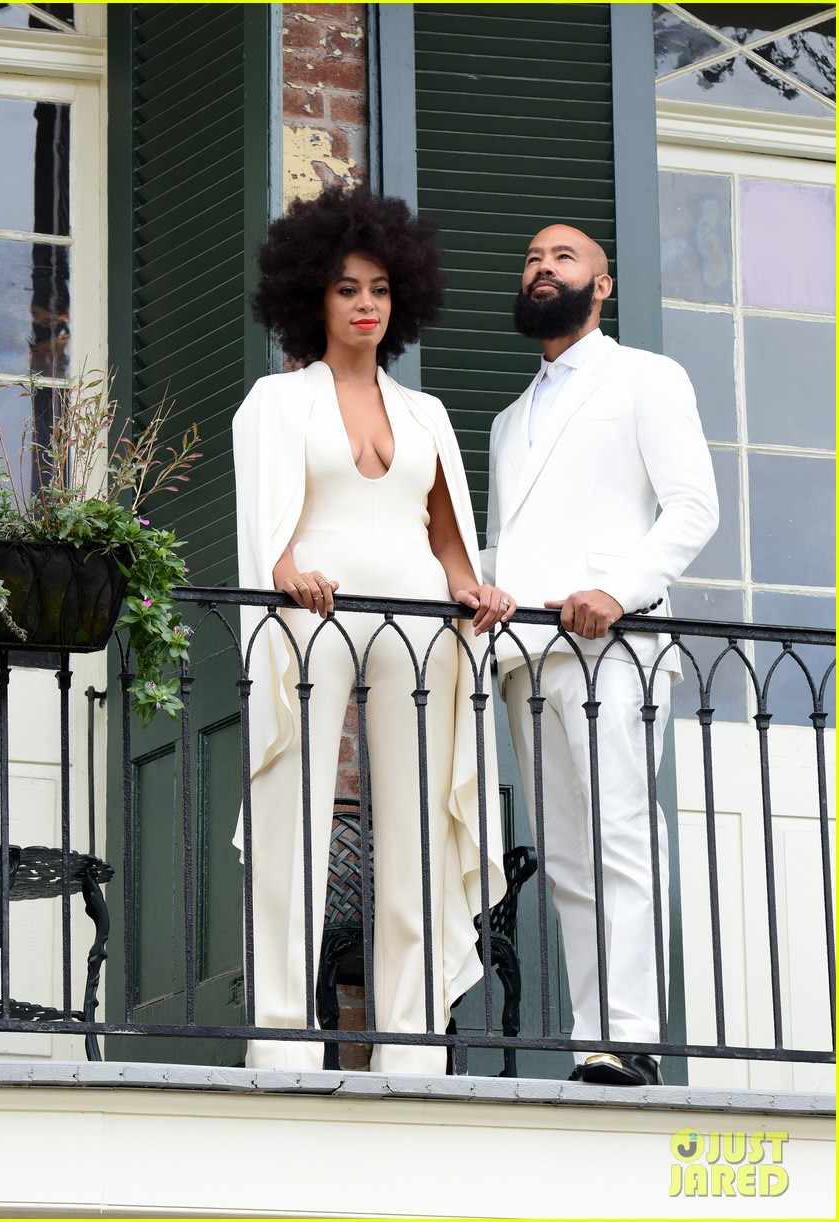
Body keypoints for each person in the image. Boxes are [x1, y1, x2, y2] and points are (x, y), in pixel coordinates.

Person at [233, 185, 514, 1075]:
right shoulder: (276, 403)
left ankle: (410, 1044)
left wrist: (475, 588)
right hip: (312, 610)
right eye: (348, 287)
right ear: (311, 293)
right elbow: (264, 534)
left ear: (400, 300)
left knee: (418, 828)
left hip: (419, 619)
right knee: (293, 817)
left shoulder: (426, 414)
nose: (364, 304)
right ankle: (280, 1039)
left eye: (380, 289)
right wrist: (284, 572)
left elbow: (443, 533)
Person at [482, 224, 718, 1086]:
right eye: (532, 258)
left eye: (563, 257)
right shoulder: (510, 420)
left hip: (614, 645)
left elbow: (692, 507)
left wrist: (619, 592)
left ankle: (633, 1037)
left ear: (602, 285)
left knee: (620, 835)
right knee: (569, 859)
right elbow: (509, 545)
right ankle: (597, 1040)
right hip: (526, 661)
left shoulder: (646, 378)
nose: (542, 268)